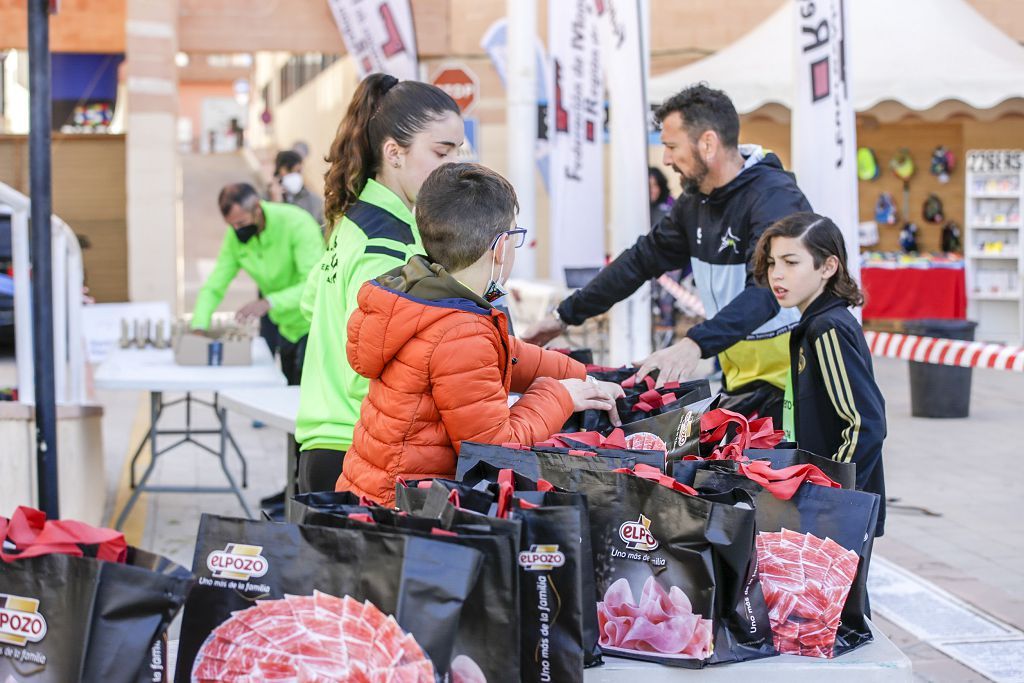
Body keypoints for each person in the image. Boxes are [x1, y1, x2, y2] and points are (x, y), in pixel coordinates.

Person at [524, 84, 812, 423]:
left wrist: (693, 344)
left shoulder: (774, 197)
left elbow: (768, 291)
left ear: (707, 143)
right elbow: (640, 260)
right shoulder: (695, 202)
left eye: (671, 146)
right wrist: (562, 317)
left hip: (798, 376)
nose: (665, 159)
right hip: (743, 377)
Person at [338, 163, 623, 504]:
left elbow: (506, 354)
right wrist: (560, 396)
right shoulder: (461, 331)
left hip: (375, 495)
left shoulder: (427, 296)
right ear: (501, 247)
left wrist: (583, 376)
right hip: (405, 514)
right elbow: (493, 449)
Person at [294, 74, 465, 494]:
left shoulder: (353, 222)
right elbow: (367, 368)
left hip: (330, 445)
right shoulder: (390, 243)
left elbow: (309, 306)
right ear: (394, 152)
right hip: (361, 451)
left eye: (459, 151)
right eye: (442, 152)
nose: (454, 166)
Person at [752, 212, 886, 535]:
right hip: (825, 504)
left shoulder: (826, 328)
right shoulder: (814, 323)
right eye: (772, 263)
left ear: (828, 267)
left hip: (835, 510)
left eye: (791, 262)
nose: (777, 275)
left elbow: (864, 424)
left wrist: (830, 496)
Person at [192, 183, 324, 384]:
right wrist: (199, 326)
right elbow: (215, 284)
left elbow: (315, 284)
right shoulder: (236, 237)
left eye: (241, 222)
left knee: (307, 395)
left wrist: (268, 302)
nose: (237, 230)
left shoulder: (297, 223)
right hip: (285, 326)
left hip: (315, 325)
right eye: (232, 225)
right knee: (289, 391)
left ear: (257, 208)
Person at [267, 149, 325, 227]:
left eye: (298, 171)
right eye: (290, 171)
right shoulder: (267, 200)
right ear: (279, 171)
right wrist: (276, 203)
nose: (295, 176)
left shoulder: (314, 201)